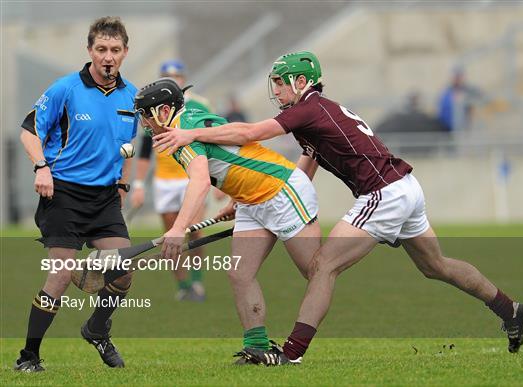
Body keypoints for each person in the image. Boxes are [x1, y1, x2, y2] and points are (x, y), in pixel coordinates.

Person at [152, 51, 523, 365]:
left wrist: (190, 133)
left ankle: (291, 354)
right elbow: (310, 160)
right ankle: (511, 310)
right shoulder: (318, 113)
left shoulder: (307, 109)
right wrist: (267, 196)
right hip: (405, 188)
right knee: (437, 266)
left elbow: (250, 132)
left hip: (383, 194)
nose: (278, 90)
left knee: (324, 266)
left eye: (282, 83)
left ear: (302, 83)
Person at [133, 77, 321, 364]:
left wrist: (178, 228)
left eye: (146, 115)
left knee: (318, 273)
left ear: (163, 111)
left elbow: (199, 182)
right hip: (250, 200)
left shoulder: (181, 132)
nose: (145, 124)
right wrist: (235, 193)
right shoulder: (189, 119)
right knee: (239, 273)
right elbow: (229, 154)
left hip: (280, 190)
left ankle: (372, 231)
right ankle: (257, 347)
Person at [15, 16, 138, 372]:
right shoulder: (64, 89)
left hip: (104, 199)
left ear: (125, 52)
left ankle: (97, 329)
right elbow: (28, 132)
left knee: (124, 271)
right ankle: (29, 357)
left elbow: (128, 146)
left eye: (115, 50)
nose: (108, 57)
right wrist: (41, 167)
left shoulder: (132, 97)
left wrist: (122, 184)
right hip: (64, 194)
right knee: (60, 274)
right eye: (101, 49)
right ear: (90, 51)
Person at [130, 60, 213, 302]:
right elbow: (145, 150)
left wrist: (220, 184)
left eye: (177, 75)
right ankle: (183, 285)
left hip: (191, 176)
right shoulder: (152, 107)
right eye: (167, 75)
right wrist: (137, 185)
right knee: (170, 234)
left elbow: (210, 137)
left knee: (194, 230)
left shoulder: (199, 104)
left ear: (183, 78)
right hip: (164, 180)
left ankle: (197, 283)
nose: (173, 79)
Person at [437, 66, 484, 132]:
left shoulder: (468, 90)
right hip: (448, 127)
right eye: (456, 77)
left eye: (459, 76)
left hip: (463, 127)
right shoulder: (447, 92)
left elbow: (480, 97)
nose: (457, 79)